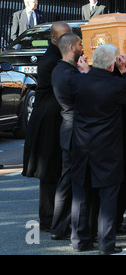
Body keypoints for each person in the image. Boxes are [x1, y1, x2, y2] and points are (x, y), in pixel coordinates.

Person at [70, 44, 126, 255]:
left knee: (80, 195)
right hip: (107, 148)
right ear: (111, 65)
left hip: (81, 146)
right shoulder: (116, 84)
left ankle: (79, 240)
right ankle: (106, 245)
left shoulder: (78, 80)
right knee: (108, 197)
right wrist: (125, 70)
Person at [22, 21, 72, 232]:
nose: (69, 39)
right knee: (49, 170)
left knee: (52, 168)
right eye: (65, 35)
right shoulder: (52, 61)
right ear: (54, 39)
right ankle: (48, 218)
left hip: (51, 118)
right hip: (48, 121)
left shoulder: (55, 56)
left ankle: (51, 217)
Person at [50, 33, 90, 241]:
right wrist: (87, 74)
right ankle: (67, 227)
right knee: (73, 182)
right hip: (76, 130)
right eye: (81, 44)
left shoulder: (60, 69)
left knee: (66, 180)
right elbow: (87, 95)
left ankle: (58, 226)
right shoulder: (72, 74)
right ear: (72, 48)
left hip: (67, 129)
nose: (83, 47)